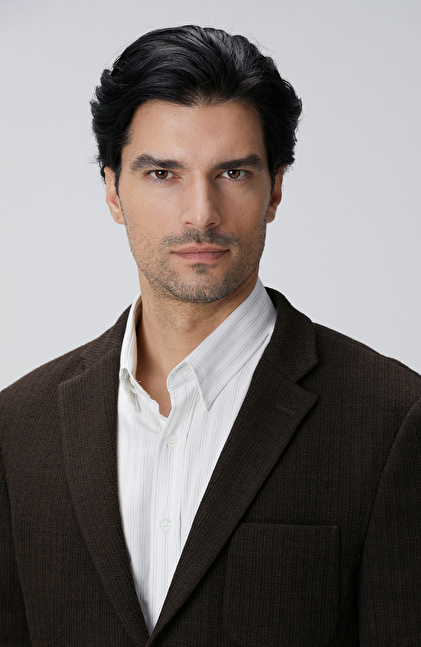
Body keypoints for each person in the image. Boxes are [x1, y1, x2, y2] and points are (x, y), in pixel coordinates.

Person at [1, 24, 420, 647]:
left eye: (232, 172)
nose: (201, 213)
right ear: (112, 190)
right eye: (162, 173)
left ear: (275, 188)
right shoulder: (19, 427)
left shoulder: (392, 420)